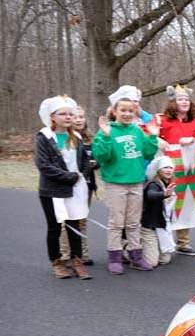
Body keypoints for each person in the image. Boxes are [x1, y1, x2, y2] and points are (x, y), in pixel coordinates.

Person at [93, 95, 159, 274]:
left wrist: (152, 136)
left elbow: (148, 153)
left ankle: (136, 256)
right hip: (116, 183)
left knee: (133, 223)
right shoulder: (107, 130)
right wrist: (106, 137)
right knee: (116, 223)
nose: (127, 114)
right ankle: (114, 257)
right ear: (115, 112)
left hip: (136, 182)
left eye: (131, 110)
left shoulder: (137, 130)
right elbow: (101, 157)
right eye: (123, 110)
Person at [35, 95, 91, 279]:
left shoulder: (75, 136)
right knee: (55, 227)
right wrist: (69, 177)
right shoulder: (44, 137)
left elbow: (83, 161)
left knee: (74, 225)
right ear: (52, 116)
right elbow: (43, 165)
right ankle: (57, 261)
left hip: (74, 188)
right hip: (52, 191)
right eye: (63, 114)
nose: (68, 117)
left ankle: (77, 260)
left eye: (70, 114)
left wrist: (81, 175)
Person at [158, 84, 195, 256]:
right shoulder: (163, 121)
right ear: (173, 102)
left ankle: (183, 242)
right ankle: (163, 241)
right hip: (168, 172)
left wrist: (193, 139)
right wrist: (158, 140)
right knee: (167, 203)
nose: (185, 102)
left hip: (190, 172)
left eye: (187, 99)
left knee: (185, 203)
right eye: (180, 99)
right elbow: (149, 133)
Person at [59, 106, 98, 266]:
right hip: (69, 185)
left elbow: (96, 160)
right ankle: (65, 254)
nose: (79, 120)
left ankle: (82, 253)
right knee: (67, 220)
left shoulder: (90, 139)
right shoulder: (64, 139)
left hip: (86, 185)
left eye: (81, 117)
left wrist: (95, 164)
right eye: (75, 117)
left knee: (82, 220)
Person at [141, 156, 177, 268]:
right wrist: (164, 195)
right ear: (158, 170)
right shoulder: (154, 184)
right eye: (165, 167)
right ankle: (131, 248)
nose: (168, 170)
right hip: (149, 227)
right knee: (152, 263)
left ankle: (152, 247)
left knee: (165, 259)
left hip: (161, 226)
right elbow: (151, 195)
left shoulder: (169, 184)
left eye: (170, 167)